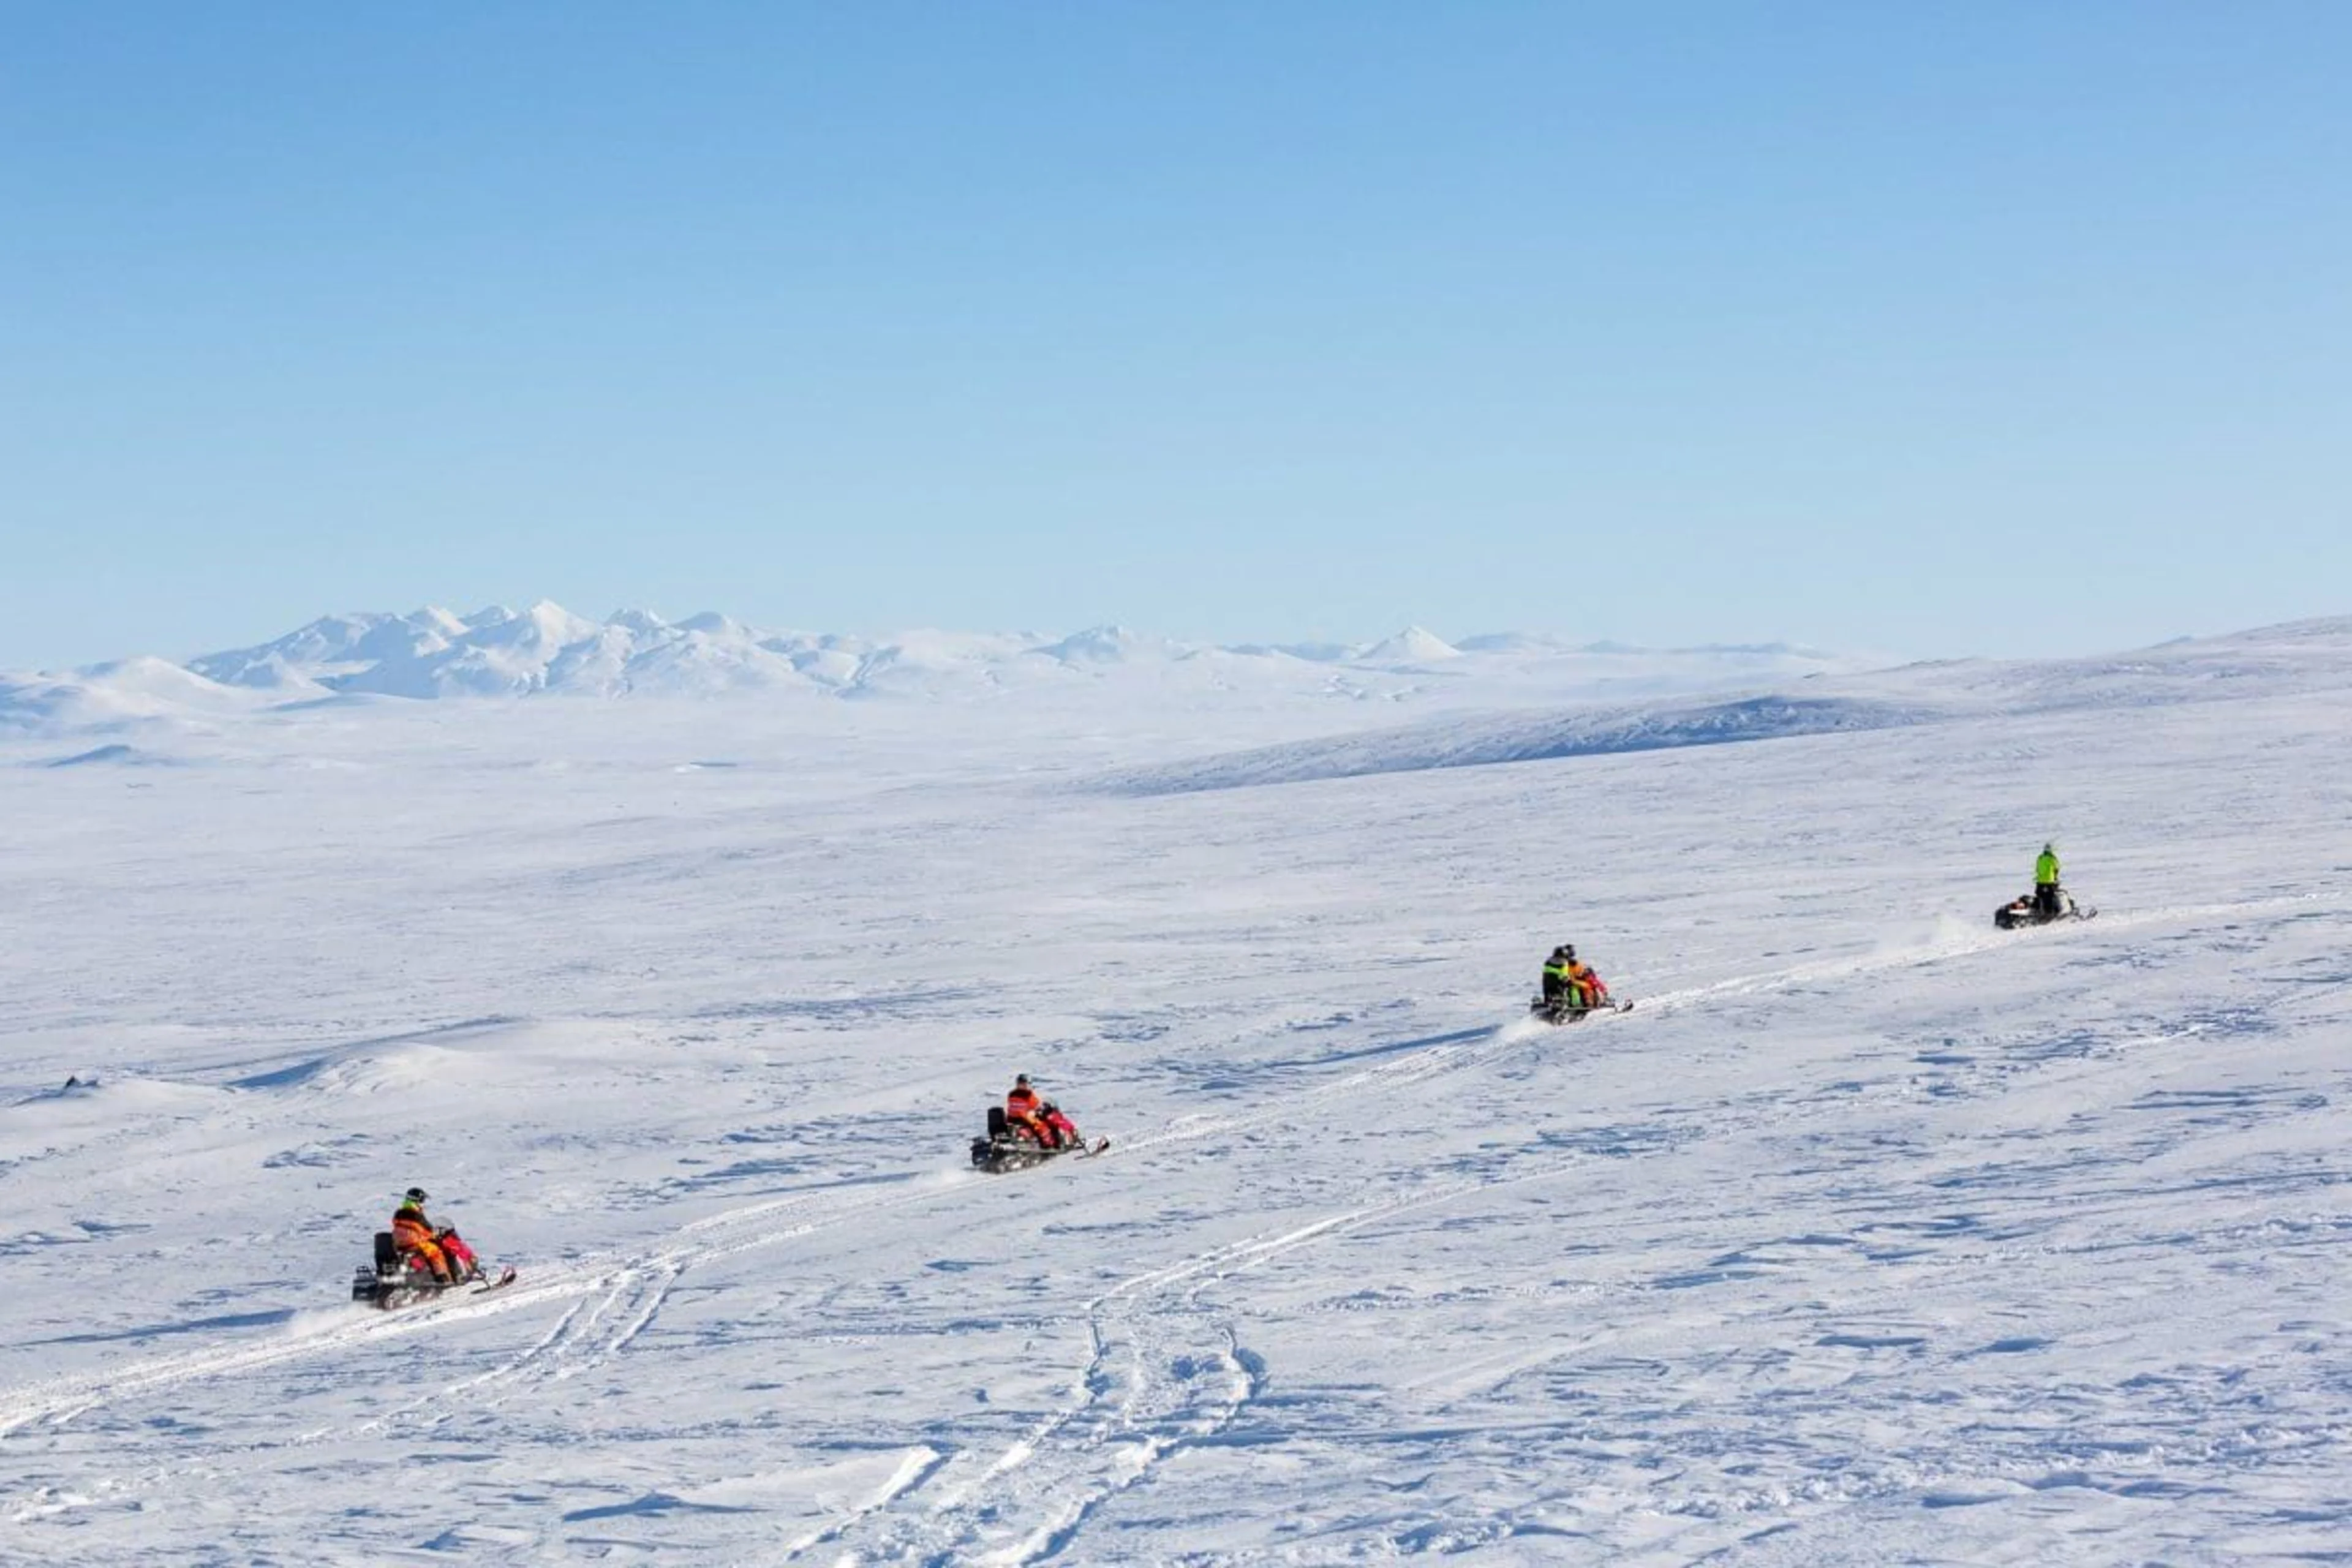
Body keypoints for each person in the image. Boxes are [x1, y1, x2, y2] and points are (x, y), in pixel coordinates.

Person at [391, 1187, 480, 1286]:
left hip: (400, 1244)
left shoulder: (399, 1213)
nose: (423, 1203)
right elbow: (425, 1229)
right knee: (436, 1253)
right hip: (415, 1243)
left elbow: (409, 1228)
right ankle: (443, 1277)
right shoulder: (416, 1214)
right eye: (423, 1200)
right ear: (418, 1200)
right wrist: (435, 1234)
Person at [1005, 1074, 1052, 1147]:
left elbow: (1011, 1103)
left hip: (1011, 1119)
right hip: (1023, 1120)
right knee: (1041, 1125)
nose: (1026, 1086)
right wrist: (1041, 1109)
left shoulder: (1012, 1094)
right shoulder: (1028, 1095)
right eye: (1025, 1084)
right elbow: (1036, 1106)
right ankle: (1047, 1143)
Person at [2034, 842, 2062, 919]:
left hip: (2040, 881)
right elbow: (2057, 867)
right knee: (2050, 897)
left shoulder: (2040, 857)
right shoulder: (2052, 858)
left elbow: (2037, 869)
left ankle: (2039, 912)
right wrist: (2055, 877)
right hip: (2049, 881)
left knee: (2040, 896)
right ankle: (2050, 914)